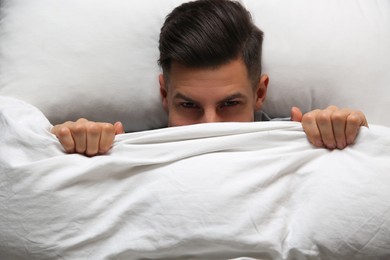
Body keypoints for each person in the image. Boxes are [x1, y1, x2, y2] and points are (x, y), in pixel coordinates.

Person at [51, 0, 368, 156]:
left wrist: (344, 129)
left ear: (259, 94)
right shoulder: (122, 147)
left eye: (231, 103)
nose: (210, 126)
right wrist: (70, 143)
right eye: (188, 105)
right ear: (165, 95)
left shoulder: (304, 139)